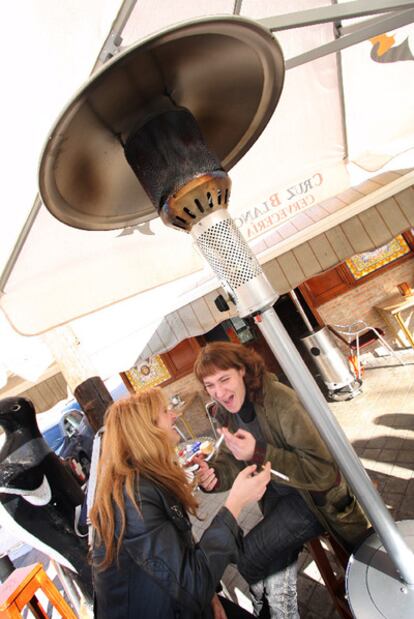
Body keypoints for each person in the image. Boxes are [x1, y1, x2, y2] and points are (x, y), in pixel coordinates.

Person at [193, 341, 370, 619]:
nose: (219, 392)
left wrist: (259, 452)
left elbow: (323, 472)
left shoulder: (281, 401)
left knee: (249, 559)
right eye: (210, 385)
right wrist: (213, 477)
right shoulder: (227, 413)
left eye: (224, 379)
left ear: (242, 370)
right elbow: (230, 459)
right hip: (277, 499)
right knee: (269, 561)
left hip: (313, 501)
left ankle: (271, 612)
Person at [89, 388, 272, 618]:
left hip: (184, 599)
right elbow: (191, 584)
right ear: (148, 430)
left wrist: (212, 597)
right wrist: (235, 503)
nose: (174, 415)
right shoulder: (133, 499)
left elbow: (181, 549)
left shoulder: (149, 477)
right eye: (165, 412)